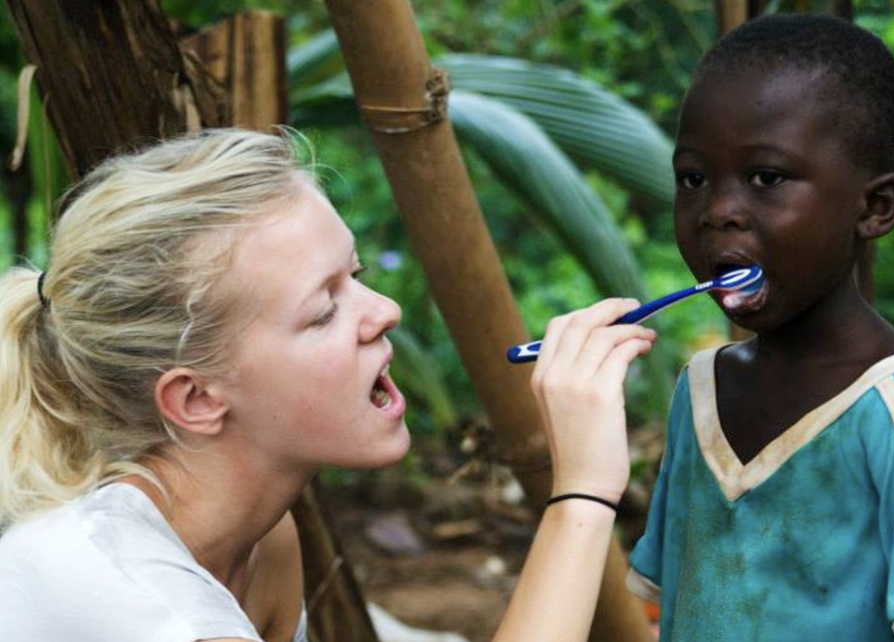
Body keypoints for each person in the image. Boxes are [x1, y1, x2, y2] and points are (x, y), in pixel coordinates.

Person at [0, 129, 657, 642]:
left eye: (358, 274)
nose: (385, 312)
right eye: (323, 310)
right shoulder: (138, 599)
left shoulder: (263, 540)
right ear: (196, 399)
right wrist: (582, 495)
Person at [627, 14, 894, 642]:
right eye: (693, 179)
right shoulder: (699, 389)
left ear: (873, 207)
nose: (717, 211)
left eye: (766, 178)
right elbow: (670, 601)